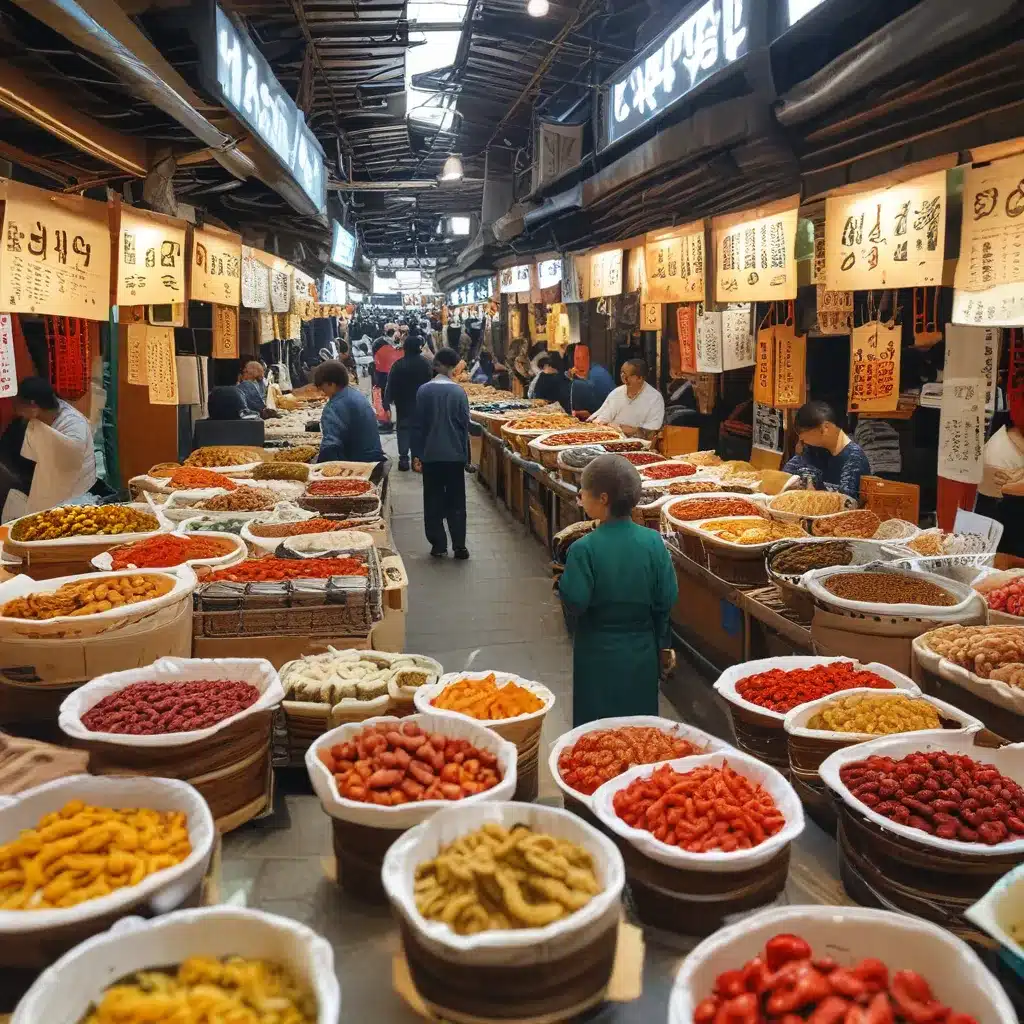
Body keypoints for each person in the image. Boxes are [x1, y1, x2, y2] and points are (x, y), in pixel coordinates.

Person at [558, 454, 678, 726]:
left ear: (602, 499)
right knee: (639, 730)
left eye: (584, 491)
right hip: (641, 653)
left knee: (596, 732)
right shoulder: (653, 543)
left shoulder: (583, 548)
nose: (580, 496)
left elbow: (575, 601)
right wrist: (663, 646)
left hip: (597, 653)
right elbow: (666, 599)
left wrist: (562, 583)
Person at [1, 376, 97, 523]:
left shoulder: (73, 425)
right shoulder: (33, 421)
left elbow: (69, 465)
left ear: (33, 405)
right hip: (37, 477)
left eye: (19, 406)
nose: (17, 411)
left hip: (74, 487)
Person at [414, 348, 470, 559]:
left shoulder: (423, 391)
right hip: (455, 455)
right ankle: (459, 546)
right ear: (453, 368)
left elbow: (418, 426)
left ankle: (438, 544)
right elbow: (464, 425)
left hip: (431, 455)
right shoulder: (458, 392)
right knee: (456, 501)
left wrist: (417, 454)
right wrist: (466, 456)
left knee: (433, 499)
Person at [783, 400, 871, 501]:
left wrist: (816, 493)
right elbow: (787, 474)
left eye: (803, 435)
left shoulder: (855, 458)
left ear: (825, 428)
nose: (802, 440)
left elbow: (846, 503)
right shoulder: (814, 449)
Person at [314, 360, 385, 464]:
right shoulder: (355, 394)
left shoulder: (333, 407)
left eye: (322, 387)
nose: (321, 391)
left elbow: (330, 447)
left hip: (359, 463)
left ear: (331, 384)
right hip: (375, 456)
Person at [385, 334, 433, 471]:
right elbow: (430, 384)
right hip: (421, 404)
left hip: (403, 405)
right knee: (418, 430)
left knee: (403, 430)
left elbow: (390, 385)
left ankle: (403, 460)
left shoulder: (398, 365)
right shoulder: (425, 364)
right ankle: (417, 460)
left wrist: (386, 403)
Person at [589, 358, 665, 437]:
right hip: (612, 439)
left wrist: (630, 430)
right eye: (621, 373)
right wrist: (604, 425)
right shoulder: (616, 393)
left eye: (626, 375)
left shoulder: (655, 398)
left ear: (640, 378)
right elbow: (601, 419)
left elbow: (653, 430)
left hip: (641, 444)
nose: (623, 378)